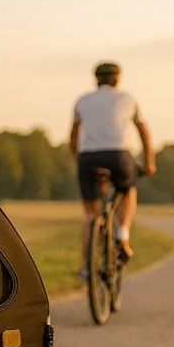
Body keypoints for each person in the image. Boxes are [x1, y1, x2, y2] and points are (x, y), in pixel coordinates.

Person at [69, 61, 155, 277]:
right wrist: (149, 161)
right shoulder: (127, 99)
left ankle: (87, 266)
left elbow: (73, 137)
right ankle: (122, 235)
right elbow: (143, 131)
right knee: (127, 191)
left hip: (89, 156)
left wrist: (78, 161)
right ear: (117, 79)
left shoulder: (82, 100)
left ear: (95, 79)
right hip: (119, 155)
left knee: (90, 213)